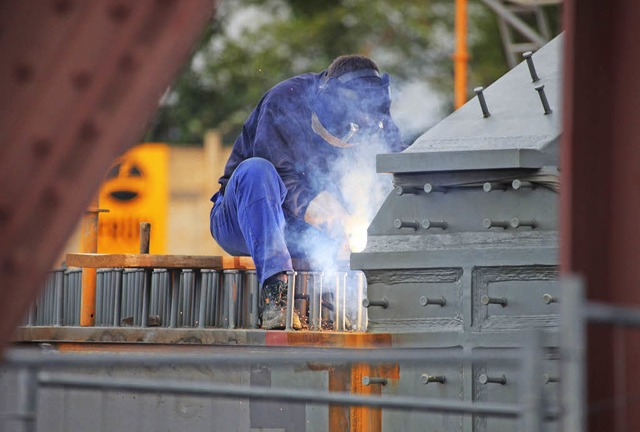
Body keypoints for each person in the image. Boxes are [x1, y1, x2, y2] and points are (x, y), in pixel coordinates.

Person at [209, 55, 404, 330]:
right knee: (257, 171)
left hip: (302, 231)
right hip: (246, 216)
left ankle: (340, 303)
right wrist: (340, 221)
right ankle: (276, 297)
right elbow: (285, 183)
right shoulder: (285, 100)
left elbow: (399, 171)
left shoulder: (377, 116)